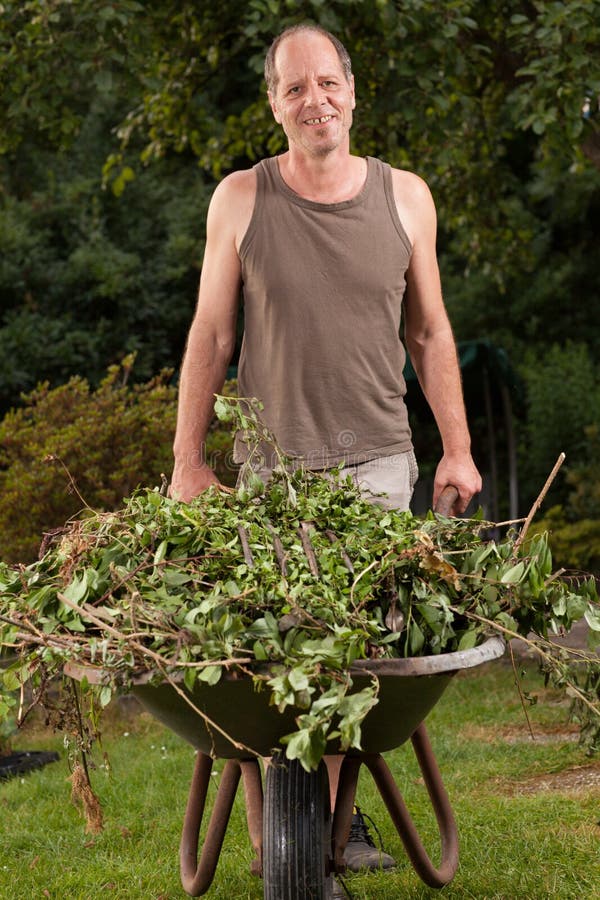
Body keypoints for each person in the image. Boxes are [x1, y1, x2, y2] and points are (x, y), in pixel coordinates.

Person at [170, 22, 481, 883]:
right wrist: (189, 461)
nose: (315, 100)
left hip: (379, 459)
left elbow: (428, 330)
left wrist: (455, 448)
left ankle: (317, 836)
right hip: (273, 471)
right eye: (294, 87)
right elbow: (212, 332)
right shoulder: (240, 198)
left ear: (353, 89)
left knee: (349, 643)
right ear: (274, 104)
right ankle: (296, 831)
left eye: (327, 82)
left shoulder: (405, 197)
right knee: (276, 649)